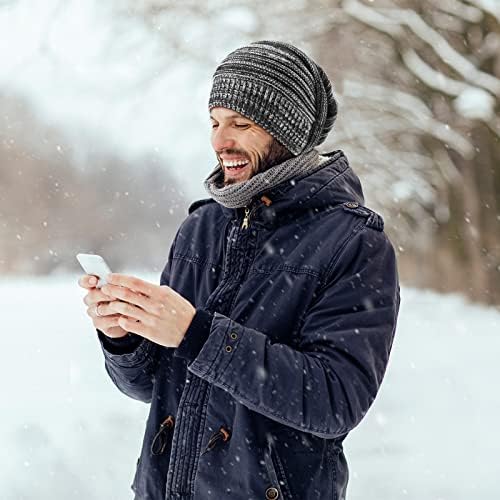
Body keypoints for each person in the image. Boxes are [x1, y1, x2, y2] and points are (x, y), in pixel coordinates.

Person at [79, 40, 400, 500]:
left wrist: (197, 334)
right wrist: (124, 335)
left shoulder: (354, 243)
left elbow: (335, 400)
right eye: (214, 122)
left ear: (286, 131)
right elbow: (152, 385)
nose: (219, 141)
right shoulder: (201, 227)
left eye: (240, 124)